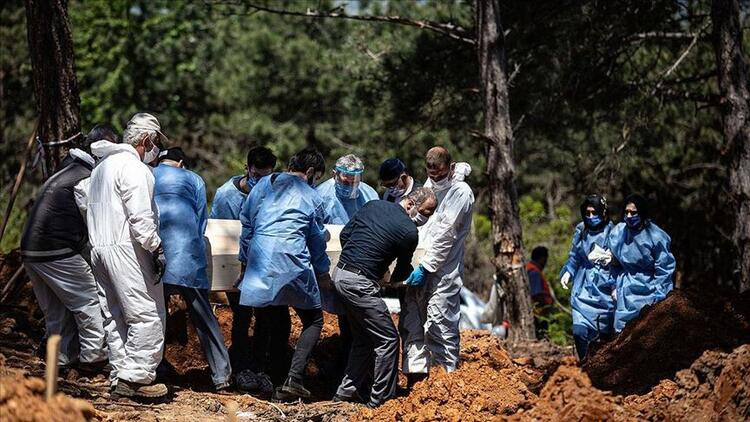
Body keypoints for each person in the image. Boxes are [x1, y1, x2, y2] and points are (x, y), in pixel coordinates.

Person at [20, 125, 117, 373]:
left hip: (31, 251)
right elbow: (91, 220)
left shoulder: (64, 171)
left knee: (55, 310)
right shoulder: (85, 177)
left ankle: (61, 361)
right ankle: (93, 358)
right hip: (56, 250)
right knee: (88, 301)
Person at [237, 147, 331, 401]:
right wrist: (323, 273)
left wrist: (245, 261)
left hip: (259, 259)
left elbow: (247, 223)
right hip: (292, 259)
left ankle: (260, 374)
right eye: (317, 177)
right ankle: (294, 379)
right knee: (314, 319)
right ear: (310, 172)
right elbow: (315, 241)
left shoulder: (264, 184)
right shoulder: (311, 197)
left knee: (268, 315)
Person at [87, 112, 168, 399]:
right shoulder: (134, 168)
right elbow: (141, 217)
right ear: (147, 139)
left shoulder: (101, 168)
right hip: (127, 248)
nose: (157, 149)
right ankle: (136, 378)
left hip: (99, 247)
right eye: (156, 142)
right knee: (146, 313)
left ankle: (120, 374)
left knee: (114, 314)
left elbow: (83, 199)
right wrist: (156, 247)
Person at [332, 188, 437, 407]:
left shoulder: (374, 205)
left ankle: (346, 393)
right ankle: (381, 401)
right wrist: (405, 279)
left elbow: (345, 235)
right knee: (388, 339)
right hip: (360, 284)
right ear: (411, 204)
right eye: (426, 212)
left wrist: (358, 258)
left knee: (363, 339)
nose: (426, 218)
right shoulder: (409, 231)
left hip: (340, 275)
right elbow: (401, 272)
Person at [154, 148, 232, 391]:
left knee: (155, 317)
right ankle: (222, 375)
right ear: (181, 163)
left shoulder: (147, 174)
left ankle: (153, 368)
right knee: (204, 317)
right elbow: (201, 221)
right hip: (187, 256)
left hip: (156, 257)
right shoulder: (194, 179)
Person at [400, 146, 474, 384]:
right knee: (412, 321)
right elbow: (416, 218)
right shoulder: (429, 186)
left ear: (451, 168)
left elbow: (446, 234)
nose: (436, 177)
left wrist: (427, 266)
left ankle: (445, 379)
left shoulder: (460, 192)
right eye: (431, 172)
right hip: (418, 264)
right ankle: (416, 378)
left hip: (444, 271)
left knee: (440, 322)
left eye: (440, 173)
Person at [209, 146, 276, 390]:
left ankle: (261, 368)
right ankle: (241, 367)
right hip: (235, 267)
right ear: (247, 169)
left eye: (266, 176)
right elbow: (218, 233)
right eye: (257, 175)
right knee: (242, 315)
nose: (260, 182)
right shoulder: (226, 195)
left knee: (265, 318)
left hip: (263, 266)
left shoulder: (273, 193)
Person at [604, 194, 675, 333]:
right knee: (622, 332)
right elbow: (615, 264)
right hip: (626, 289)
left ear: (642, 213)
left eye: (633, 212)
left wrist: (660, 294)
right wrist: (613, 284)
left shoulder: (656, 236)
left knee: (647, 332)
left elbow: (665, 268)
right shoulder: (618, 233)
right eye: (626, 212)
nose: (629, 216)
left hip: (650, 289)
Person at [560, 195, 616, 360]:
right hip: (583, 286)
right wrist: (569, 271)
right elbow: (574, 256)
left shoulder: (613, 231)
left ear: (603, 212)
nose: (591, 217)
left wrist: (611, 262)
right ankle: (584, 363)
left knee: (604, 337)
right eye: (587, 213)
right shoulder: (581, 229)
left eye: (594, 212)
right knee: (579, 331)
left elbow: (621, 258)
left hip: (605, 287)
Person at [316, 154, 379, 224]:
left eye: (354, 183)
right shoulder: (321, 196)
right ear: (334, 175)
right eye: (345, 182)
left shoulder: (370, 195)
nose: (350, 187)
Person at [527, 246, 553, 339]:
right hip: (537, 314)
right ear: (542, 258)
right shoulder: (534, 272)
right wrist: (547, 304)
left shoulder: (530, 269)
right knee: (541, 337)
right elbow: (536, 294)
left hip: (536, 313)